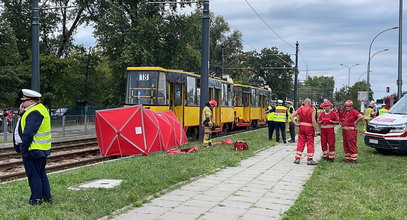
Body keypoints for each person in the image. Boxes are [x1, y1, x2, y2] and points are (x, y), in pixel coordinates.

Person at [13, 89, 53, 205]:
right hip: (40, 149)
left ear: (30, 101)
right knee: (41, 174)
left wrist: (24, 149)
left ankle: (35, 200)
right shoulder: (39, 110)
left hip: (33, 149)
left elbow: (28, 133)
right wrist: (21, 113)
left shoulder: (34, 112)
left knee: (33, 176)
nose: (22, 104)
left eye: (24, 101)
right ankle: (47, 197)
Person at [291, 98, 318, 165]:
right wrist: (315, 131)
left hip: (301, 127)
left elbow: (291, 116)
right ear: (309, 103)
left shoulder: (299, 109)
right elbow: (314, 121)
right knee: (310, 143)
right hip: (309, 128)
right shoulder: (312, 110)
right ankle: (310, 159)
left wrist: (296, 124)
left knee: (300, 143)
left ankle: (297, 158)